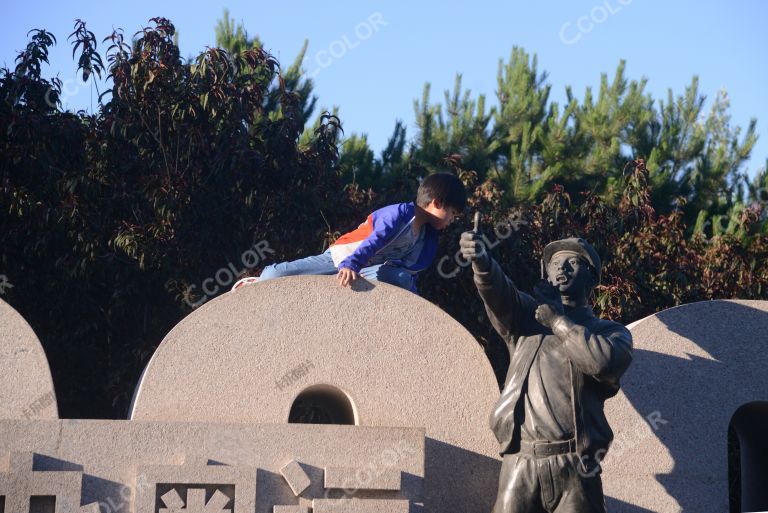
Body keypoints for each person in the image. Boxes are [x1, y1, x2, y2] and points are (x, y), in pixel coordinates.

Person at [459, 231, 633, 513]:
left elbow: (602, 363)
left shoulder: (610, 333)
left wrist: (558, 322)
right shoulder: (525, 320)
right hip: (521, 460)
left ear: (591, 277)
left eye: (572, 263)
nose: (561, 269)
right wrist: (482, 262)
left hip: (576, 466)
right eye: (555, 263)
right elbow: (500, 293)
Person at [242, 172, 466, 294]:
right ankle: (255, 282)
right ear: (436, 203)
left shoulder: (427, 239)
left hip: (366, 271)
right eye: (453, 214)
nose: (452, 221)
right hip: (344, 258)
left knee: (402, 280)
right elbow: (374, 240)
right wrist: (351, 264)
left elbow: (408, 273)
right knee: (273, 278)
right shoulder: (399, 214)